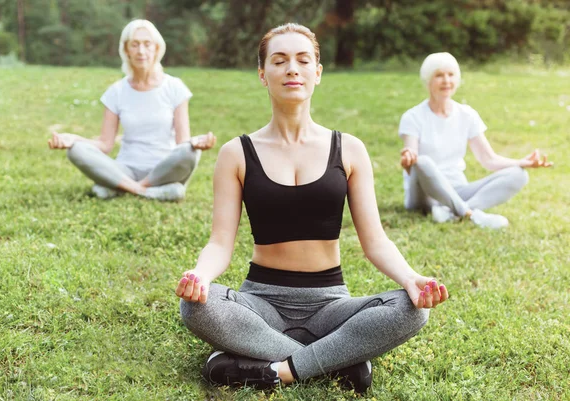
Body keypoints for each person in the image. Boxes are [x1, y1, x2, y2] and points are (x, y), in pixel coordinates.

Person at [175, 23, 448, 394]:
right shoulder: (235, 153)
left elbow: (376, 242)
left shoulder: (349, 149)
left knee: (413, 309)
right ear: (262, 74)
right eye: (279, 60)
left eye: (303, 60)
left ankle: (276, 370)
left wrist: (411, 278)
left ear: (316, 74)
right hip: (261, 303)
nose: (292, 69)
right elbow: (220, 243)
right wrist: (201, 276)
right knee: (195, 308)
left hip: (330, 306)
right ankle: (339, 362)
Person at [48, 19, 216, 201]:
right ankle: (150, 192)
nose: (141, 51)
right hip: (125, 169)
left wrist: (197, 143)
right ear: (126, 50)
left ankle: (118, 188)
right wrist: (73, 139)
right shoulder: (116, 91)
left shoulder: (175, 88)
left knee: (190, 151)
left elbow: (182, 143)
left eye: (147, 44)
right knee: (75, 150)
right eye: (134, 45)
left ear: (157, 48)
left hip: (163, 169)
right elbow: (105, 144)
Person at [399, 52, 552, 228]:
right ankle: (468, 214)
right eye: (439, 75)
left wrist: (523, 162)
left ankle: (452, 212)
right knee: (422, 161)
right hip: (424, 195)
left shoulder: (467, 115)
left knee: (519, 174)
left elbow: (489, 159)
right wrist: (409, 157)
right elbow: (412, 156)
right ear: (428, 80)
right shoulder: (412, 117)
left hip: (459, 190)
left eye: (451, 75)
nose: (446, 81)